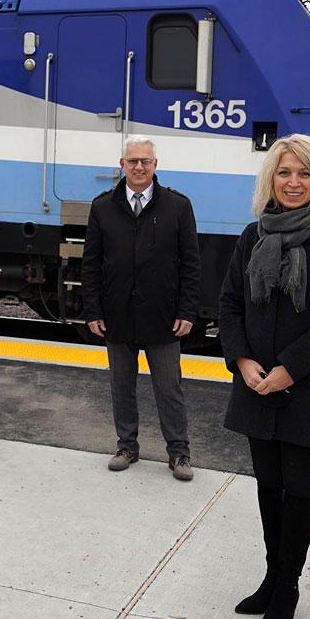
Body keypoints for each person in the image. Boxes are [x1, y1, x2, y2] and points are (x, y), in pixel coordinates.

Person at [218, 133, 310, 619]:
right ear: (270, 179)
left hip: (305, 387)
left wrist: (289, 369)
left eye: (304, 173)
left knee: (297, 488)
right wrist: (241, 359)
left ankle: (289, 587)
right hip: (255, 383)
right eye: (284, 173)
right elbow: (231, 304)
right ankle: (271, 574)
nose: (294, 182)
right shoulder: (251, 236)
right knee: (267, 486)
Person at [81, 135, 200, 481]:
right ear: (122, 165)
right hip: (116, 314)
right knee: (122, 384)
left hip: (163, 316)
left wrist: (187, 311)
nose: (138, 167)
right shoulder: (102, 207)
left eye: (145, 161)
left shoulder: (178, 206)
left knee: (169, 387)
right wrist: (93, 310)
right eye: (132, 161)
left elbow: (191, 265)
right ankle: (126, 445)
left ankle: (179, 453)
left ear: (155, 165)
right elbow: (91, 264)